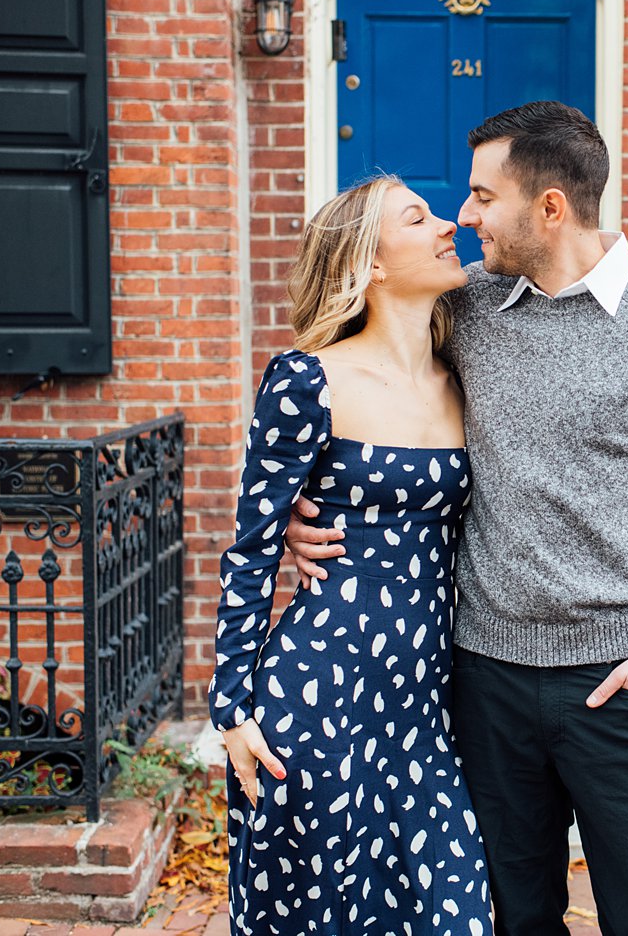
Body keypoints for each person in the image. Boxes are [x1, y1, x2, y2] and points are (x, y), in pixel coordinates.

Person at [285, 100, 628, 935]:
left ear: (549, 207)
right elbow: (359, 383)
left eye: (480, 197)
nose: (464, 218)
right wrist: (305, 503)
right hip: (485, 680)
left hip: (622, 681)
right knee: (511, 917)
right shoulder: (464, 311)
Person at [208, 175, 493, 936]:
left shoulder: (462, 374)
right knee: (326, 916)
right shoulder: (308, 380)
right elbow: (253, 548)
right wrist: (232, 711)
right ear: (369, 263)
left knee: (453, 912)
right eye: (419, 217)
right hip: (320, 691)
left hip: (427, 701)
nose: (448, 224)